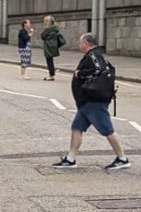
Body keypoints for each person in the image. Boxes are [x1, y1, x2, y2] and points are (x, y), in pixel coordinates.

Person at [53, 33, 129, 171]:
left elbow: (99, 70)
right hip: (86, 102)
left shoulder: (94, 55)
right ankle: (70, 159)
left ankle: (122, 158)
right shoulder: (93, 55)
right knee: (77, 128)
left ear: (86, 44)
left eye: (80, 42)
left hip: (93, 101)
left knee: (107, 130)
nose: (79, 44)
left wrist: (79, 74)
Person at [39, 15, 64, 81]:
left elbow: (42, 36)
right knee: (50, 60)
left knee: (49, 61)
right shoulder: (55, 28)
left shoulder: (48, 29)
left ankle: (51, 75)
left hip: (48, 46)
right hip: (54, 45)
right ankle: (51, 74)